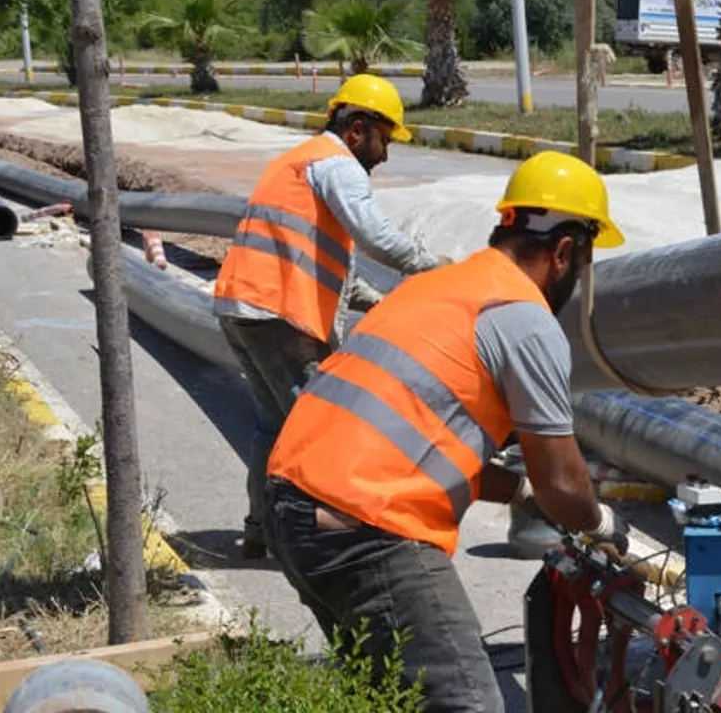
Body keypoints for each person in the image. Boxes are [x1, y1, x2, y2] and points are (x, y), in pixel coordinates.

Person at [261, 150, 631, 712]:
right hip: (366, 531)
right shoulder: (524, 318)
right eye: (582, 265)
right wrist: (600, 522)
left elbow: (420, 445)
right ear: (563, 252)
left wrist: (518, 490)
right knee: (467, 702)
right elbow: (562, 486)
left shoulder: (439, 287)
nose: (578, 279)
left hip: (295, 511)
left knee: (394, 698)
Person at [212, 73, 449, 559]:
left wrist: (380, 302)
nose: (385, 155)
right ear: (358, 130)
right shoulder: (338, 165)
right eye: (385, 140)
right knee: (326, 428)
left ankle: (261, 530)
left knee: (274, 427)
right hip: (279, 314)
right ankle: (318, 541)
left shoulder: (300, 162)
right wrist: (437, 269)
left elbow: (330, 269)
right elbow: (376, 236)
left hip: (244, 307)